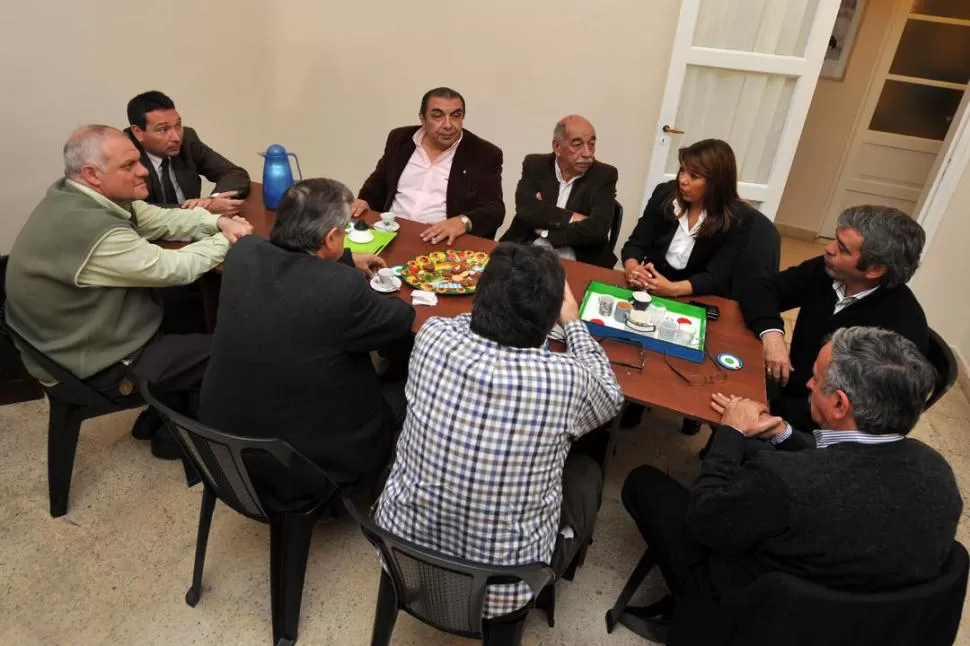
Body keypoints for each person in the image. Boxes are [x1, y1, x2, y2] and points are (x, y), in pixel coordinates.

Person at [621, 327, 962, 642]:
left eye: (816, 378)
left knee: (644, 483)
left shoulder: (783, 481)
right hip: (861, 626)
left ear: (840, 403)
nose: (809, 385)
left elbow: (704, 521)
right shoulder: (940, 475)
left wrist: (730, 433)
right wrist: (783, 433)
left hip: (752, 612)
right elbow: (853, 466)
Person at [375, 243, 624, 622]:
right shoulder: (565, 379)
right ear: (548, 318)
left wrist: (495, 303)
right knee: (587, 470)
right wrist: (572, 321)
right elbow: (610, 395)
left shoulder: (430, 337)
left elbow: (459, 322)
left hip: (400, 553)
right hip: (504, 588)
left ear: (480, 293)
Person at [4, 125, 252, 459]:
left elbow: (163, 220)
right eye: (128, 166)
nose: (143, 171)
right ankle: (190, 434)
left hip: (74, 336)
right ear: (92, 174)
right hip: (94, 363)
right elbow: (172, 268)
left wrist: (218, 224)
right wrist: (230, 238)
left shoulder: (80, 195)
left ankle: (169, 417)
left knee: (191, 310)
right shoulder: (92, 231)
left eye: (138, 161)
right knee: (235, 349)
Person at [198, 178, 415, 503]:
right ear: (330, 237)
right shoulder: (341, 290)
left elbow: (294, 266)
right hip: (311, 469)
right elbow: (400, 320)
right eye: (341, 232)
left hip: (226, 451)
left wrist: (345, 259)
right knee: (408, 389)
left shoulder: (244, 252)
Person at [741, 204, 928, 432]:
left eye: (843, 249)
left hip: (817, 427)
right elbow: (762, 289)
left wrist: (774, 413)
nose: (828, 249)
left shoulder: (898, 331)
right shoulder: (830, 271)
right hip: (788, 387)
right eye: (835, 239)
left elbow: (854, 419)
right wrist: (771, 333)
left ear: (875, 270)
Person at [619, 139, 756, 431]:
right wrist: (633, 268)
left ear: (716, 182)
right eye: (682, 170)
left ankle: (691, 412)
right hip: (655, 285)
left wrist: (674, 289)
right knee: (639, 343)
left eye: (694, 176)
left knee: (692, 359)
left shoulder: (738, 218)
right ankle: (637, 402)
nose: (682, 179)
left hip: (700, 292)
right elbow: (635, 243)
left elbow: (717, 276)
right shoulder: (663, 195)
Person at [351, 87, 505, 243]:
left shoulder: (483, 153)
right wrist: (364, 200)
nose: (448, 125)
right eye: (437, 116)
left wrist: (462, 221)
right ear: (422, 118)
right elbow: (379, 181)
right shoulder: (400, 139)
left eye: (455, 116)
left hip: (440, 242)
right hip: (389, 232)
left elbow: (494, 210)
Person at [500, 115, 619, 268]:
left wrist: (546, 231)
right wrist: (572, 217)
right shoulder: (535, 164)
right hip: (528, 246)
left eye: (592, 144)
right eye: (578, 145)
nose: (587, 153)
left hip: (579, 256)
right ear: (557, 147)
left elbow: (598, 228)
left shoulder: (604, 175)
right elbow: (525, 209)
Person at [125, 90, 250, 215]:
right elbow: (135, 209)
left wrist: (212, 200)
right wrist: (199, 211)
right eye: (163, 129)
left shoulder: (187, 141)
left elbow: (234, 173)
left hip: (199, 230)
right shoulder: (124, 155)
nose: (176, 137)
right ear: (138, 132)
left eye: (178, 125)